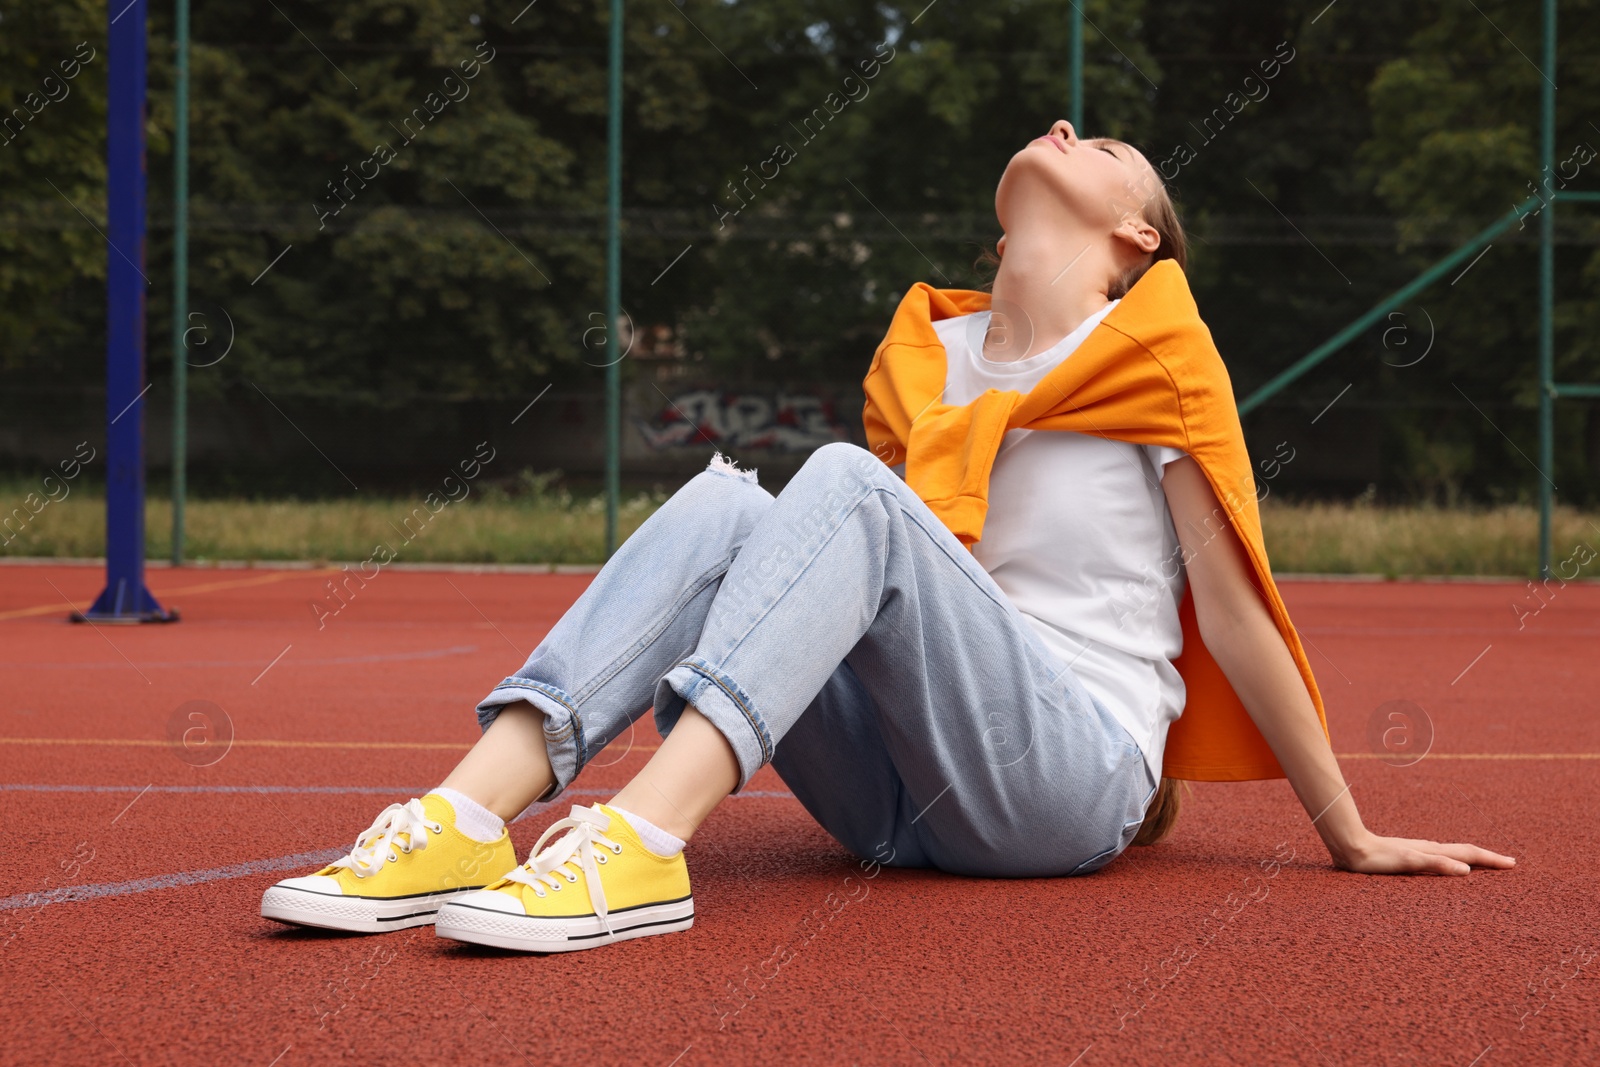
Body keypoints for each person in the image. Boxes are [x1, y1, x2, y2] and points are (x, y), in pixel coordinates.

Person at [261, 119, 1514, 953]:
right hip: (892, 797)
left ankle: (641, 844)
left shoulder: (1156, 357)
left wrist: (1345, 829)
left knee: (852, 486)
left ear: (1139, 237)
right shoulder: (929, 356)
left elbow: (1234, 605)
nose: (1067, 129)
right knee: (725, 503)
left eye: (1107, 145)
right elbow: (841, 589)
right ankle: (464, 815)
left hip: (1059, 781)